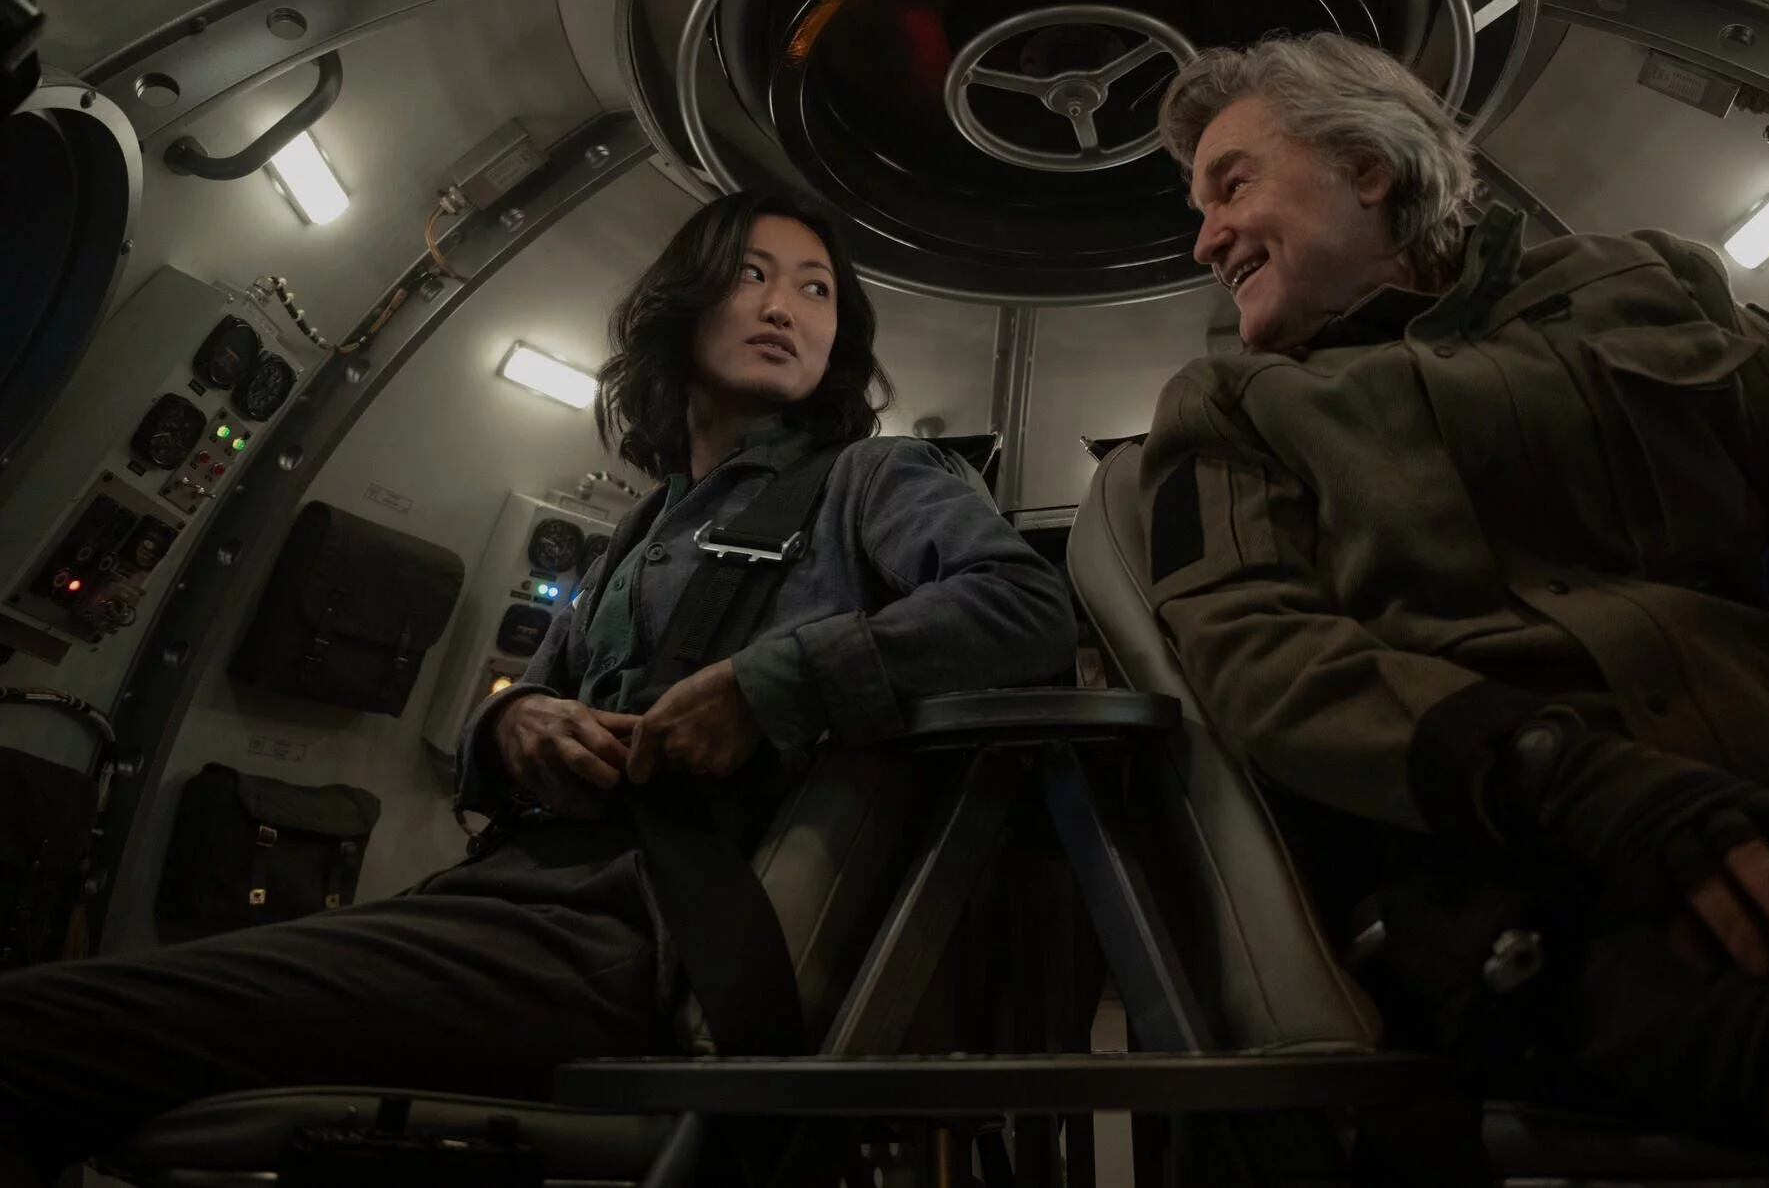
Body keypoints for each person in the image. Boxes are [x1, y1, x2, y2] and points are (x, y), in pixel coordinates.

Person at [0, 188, 1078, 1185]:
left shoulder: (874, 478)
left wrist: (768, 686)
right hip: (505, 901)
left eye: (816, 289)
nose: (784, 307)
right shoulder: (635, 536)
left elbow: (1025, 608)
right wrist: (515, 722)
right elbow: (523, 703)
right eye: (752, 274)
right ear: (683, 302)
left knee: (37, 1030)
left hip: (645, 937)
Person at [1139, 33, 1769, 1185]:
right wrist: (1561, 776)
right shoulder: (1227, 407)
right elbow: (1260, 656)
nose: (1204, 236)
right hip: (1506, 908)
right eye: (1198, 207)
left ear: (1365, 165)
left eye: (1230, 182)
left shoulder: (1654, 291)